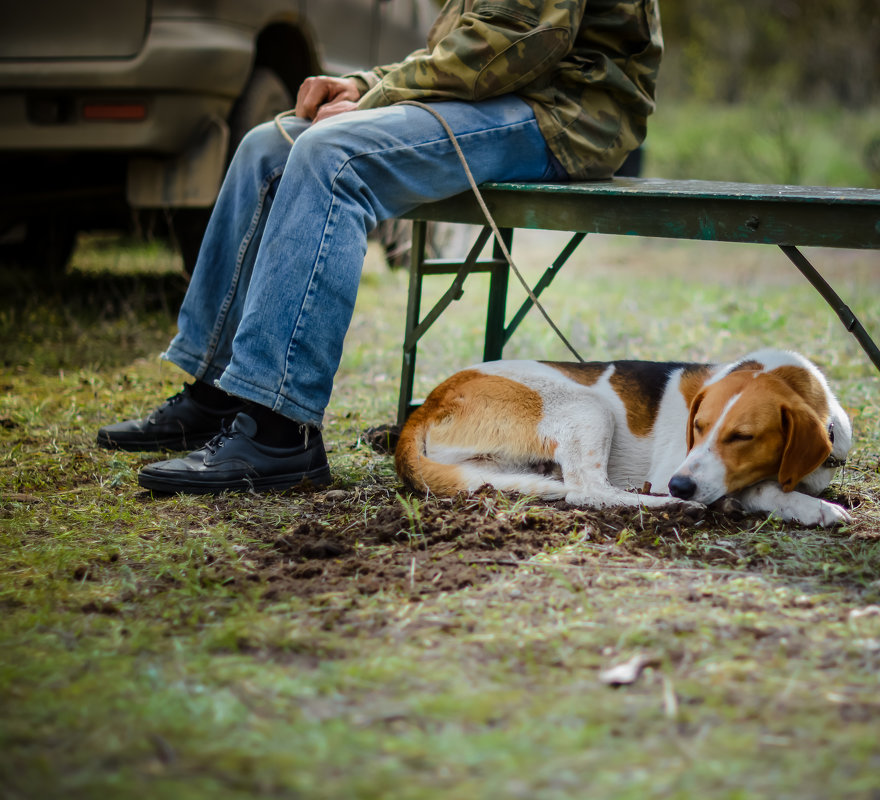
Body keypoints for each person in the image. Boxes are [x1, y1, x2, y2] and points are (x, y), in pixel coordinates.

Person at [96, 0, 663, 494]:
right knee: (268, 143)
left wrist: (379, 94)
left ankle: (277, 430)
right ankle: (218, 392)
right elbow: (476, 37)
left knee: (330, 155)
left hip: (566, 113)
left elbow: (520, 40)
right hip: (504, 96)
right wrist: (367, 86)